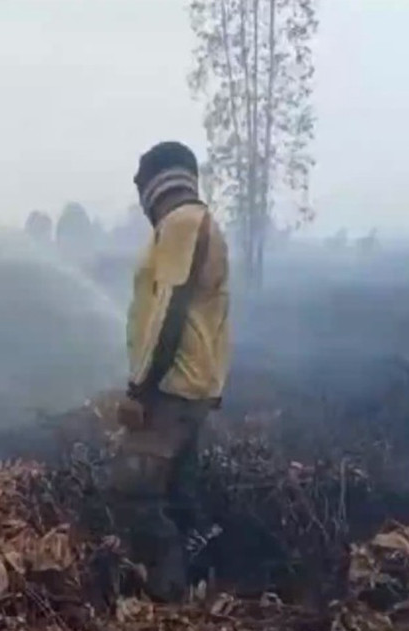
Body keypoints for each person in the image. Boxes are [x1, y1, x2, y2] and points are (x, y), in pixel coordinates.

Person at [111, 141, 230, 602]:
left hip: (171, 385)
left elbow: (170, 307)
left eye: (142, 188)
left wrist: (139, 389)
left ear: (157, 185)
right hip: (190, 384)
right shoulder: (194, 224)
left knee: (134, 491)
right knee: (180, 492)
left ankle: (170, 597)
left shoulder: (181, 223)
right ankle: (206, 578)